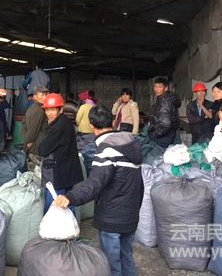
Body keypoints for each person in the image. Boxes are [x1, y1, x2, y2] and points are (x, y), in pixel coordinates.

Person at [54, 105, 143, 276]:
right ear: (112, 122)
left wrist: (70, 197)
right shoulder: (130, 144)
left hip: (112, 216)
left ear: (92, 125)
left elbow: (95, 183)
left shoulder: (107, 149)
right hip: (130, 213)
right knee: (126, 257)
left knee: (111, 264)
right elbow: (140, 184)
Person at [38, 93, 83, 212]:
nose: (49, 113)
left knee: (53, 209)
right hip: (68, 173)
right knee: (67, 208)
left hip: (59, 175)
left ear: (61, 110)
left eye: (52, 109)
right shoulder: (65, 122)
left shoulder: (58, 127)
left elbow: (42, 150)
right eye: (47, 110)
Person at [147, 77, 180, 148]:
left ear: (166, 88)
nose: (157, 89)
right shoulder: (163, 98)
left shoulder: (165, 101)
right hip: (167, 134)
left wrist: (154, 134)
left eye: (160, 87)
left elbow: (165, 123)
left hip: (163, 136)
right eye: (155, 86)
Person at [23, 85, 49, 155]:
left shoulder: (34, 107)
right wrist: (26, 144)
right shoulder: (38, 110)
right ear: (35, 96)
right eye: (42, 95)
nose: (44, 97)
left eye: (46, 95)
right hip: (36, 144)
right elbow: (33, 130)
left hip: (36, 143)